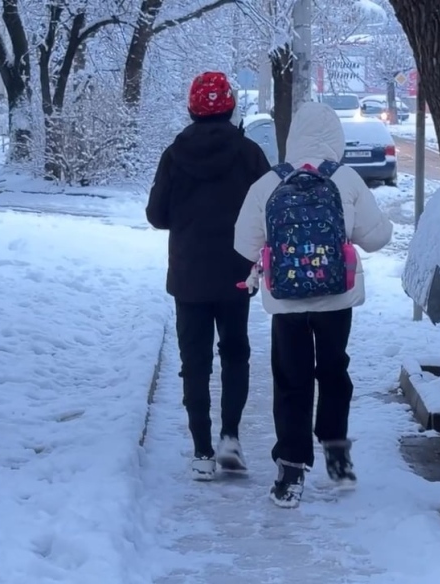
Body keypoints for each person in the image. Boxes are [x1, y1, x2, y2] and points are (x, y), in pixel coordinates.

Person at [233, 101, 392, 508]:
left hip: (286, 302)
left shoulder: (269, 183)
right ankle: (337, 454)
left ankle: (290, 470)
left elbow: (244, 243)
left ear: (292, 137)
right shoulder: (346, 179)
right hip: (337, 298)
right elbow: (375, 238)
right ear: (336, 138)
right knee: (334, 370)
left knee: (291, 380)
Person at [146, 71, 271, 481]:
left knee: (194, 362)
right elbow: (269, 210)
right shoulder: (251, 155)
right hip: (237, 273)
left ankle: (201, 450)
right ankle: (230, 437)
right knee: (236, 354)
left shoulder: (173, 155)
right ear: (233, 108)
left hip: (189, 276)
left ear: (191, 109)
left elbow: (156, 215)